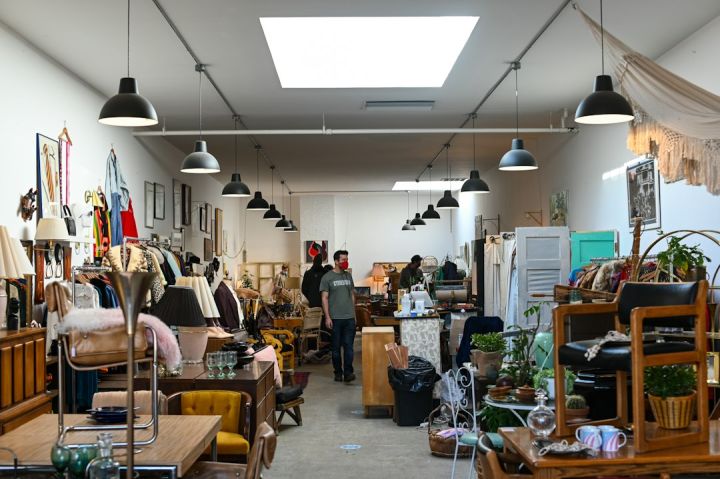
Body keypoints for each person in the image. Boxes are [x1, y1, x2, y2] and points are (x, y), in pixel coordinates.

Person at [320, 250, 356, 382]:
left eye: (347, 259)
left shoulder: (348, 276)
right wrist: (327, 317)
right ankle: (338, 372)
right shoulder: (327, 277)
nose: (346, 262)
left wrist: (354, 314)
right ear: (336, 261)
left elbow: (352, 295)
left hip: (349, 318)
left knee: (349, 347)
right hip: (335, 318)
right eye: (343, 260)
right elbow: (324, 298)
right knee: (335, 348)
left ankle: (348, 372)